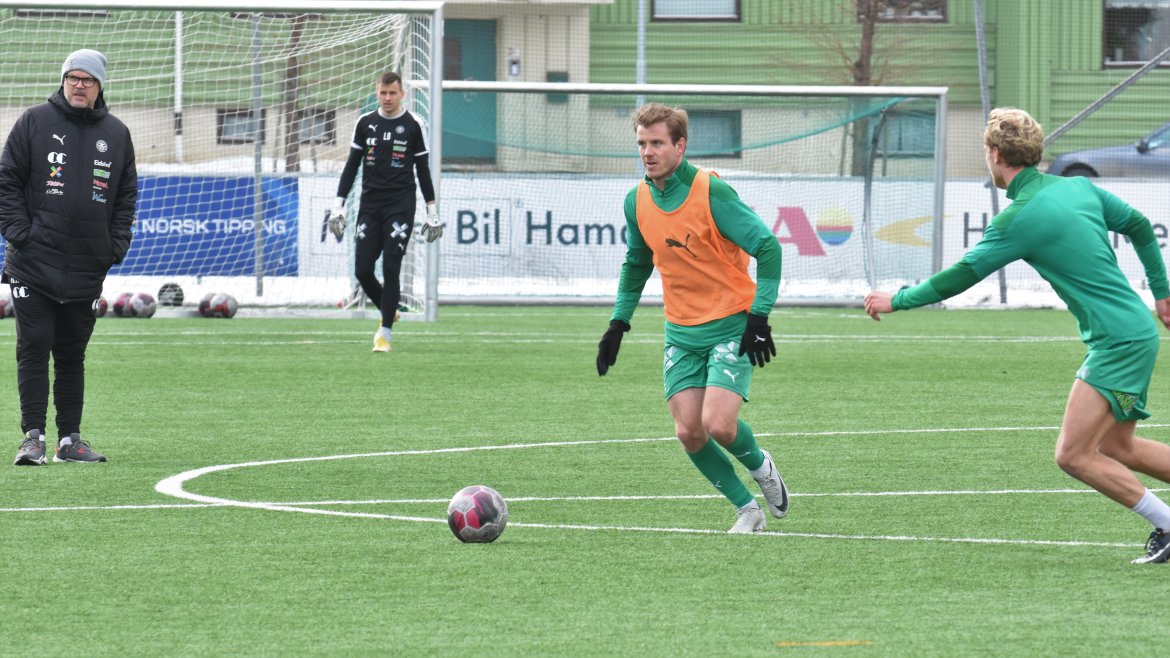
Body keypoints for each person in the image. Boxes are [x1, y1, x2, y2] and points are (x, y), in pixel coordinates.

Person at [865, 107, 1170, 564]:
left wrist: (899, 299)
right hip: (1134, 332)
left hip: (1118, 343)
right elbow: (1141, 227)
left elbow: (962, 275)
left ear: (995, 153)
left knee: (1072, 455)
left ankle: (1166, 523)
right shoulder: (1078, 187)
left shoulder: (1019, 218)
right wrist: (1162, 295)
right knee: (1116, 446)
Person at [596, 103, 789, 533]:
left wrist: (759, 318)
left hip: (731, 323)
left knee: (718, 425)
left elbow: (768, 247)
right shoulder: (636, 200)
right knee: (689, 432)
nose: (648, 152)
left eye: (657, 143)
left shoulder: (711, 191)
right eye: (642, 144)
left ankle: (761, 467)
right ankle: (747, 510)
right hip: (681, 332)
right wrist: (618, 324)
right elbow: (636, 262)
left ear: (680, 146)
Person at [0, 49, 136, 465]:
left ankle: (69, 442)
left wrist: (113, 247)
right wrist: (20, 234)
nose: (79, 85)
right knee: (34, 349)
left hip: (86, 267)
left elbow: (125, 197)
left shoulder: (117, 134)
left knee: (72, 356)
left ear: (99, 86)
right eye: (72, 77)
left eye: (87, 79)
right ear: (63, 81)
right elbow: (7, 181)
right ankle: (33, 439)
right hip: (33, 264)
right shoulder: (34, 121)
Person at [327, 71, 442, 353]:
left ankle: (384, 334)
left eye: (392, 93)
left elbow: (423, 170)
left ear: (402, 94)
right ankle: (389, 309)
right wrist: (338, 205)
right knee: (363, 270)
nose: (387, 98)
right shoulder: (364, 123)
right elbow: (351, 166)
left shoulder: (414, 124)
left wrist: (432, 211)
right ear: (377, 93)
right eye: (383, 93)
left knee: (391, 267)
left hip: (400, 205)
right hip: (369, 205)